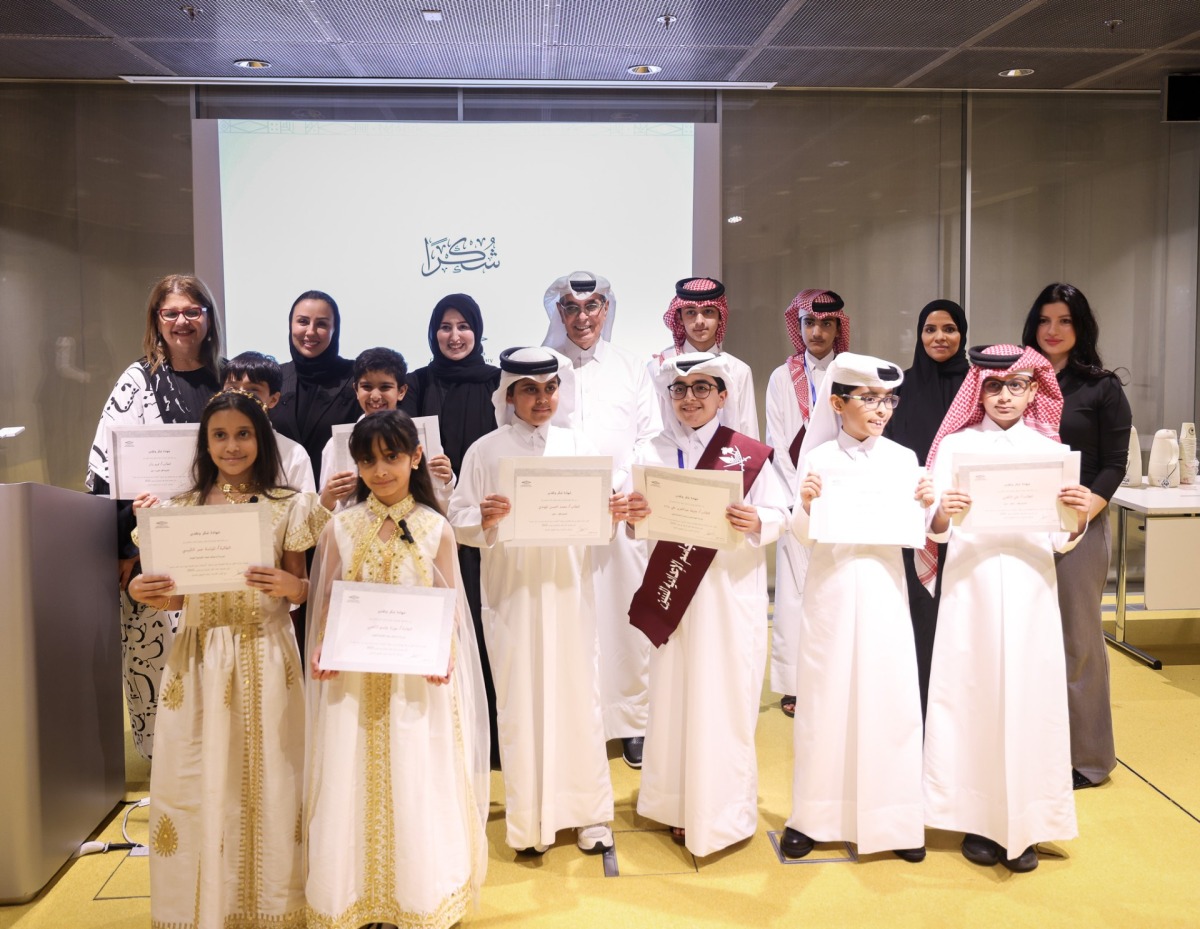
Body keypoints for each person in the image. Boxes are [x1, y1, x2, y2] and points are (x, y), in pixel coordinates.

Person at [126, 389, 328, 927]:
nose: (232, 446)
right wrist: (145, 591)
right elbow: (174, 598)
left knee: (272, 777)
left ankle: (272, 907)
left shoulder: (288, 505)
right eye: (220, 435)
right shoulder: (179, 509)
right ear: (205, 441)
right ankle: (204, 908)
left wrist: (292, 586)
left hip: (267, 652)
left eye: (243, 434)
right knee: (199, 777)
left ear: (261, 439)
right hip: (198, 658)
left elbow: (304, 587)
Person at [306, 410, 489, 929]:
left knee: (416, 776)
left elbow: (451, 605)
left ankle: (417, 897)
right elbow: (328, 599)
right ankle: (355, 895)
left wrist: (444, 652)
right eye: (368, 461)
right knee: (350, 778)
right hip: (353, 682)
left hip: (417, 681)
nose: (380, 471)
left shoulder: (436, 527)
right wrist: (322, 647)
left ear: (415, 457)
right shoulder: (341, 526)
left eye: (391, 457)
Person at [922, 344, 1091, 873]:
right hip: (970, 588)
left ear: (1034, 390)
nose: (1003, 396)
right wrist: (942, 513)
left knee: (1029, 699)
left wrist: (1079, 516)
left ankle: (1028, 823)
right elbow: (933, 530)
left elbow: (1062, 536)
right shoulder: (955, 446)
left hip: (1029, 587)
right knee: (971, 695)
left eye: (1015, 386)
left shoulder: (1049, 449)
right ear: (978, 390)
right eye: (993, 386)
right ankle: (977, 818)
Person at [448, 346, 617, 855]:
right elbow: (458, 519)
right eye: (529, 390)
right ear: (509, 395)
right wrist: (484, 518)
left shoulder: (579, 444)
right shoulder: (485, 451)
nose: (542, 399)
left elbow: (602, 525)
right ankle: (530, 823)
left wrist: (614, 513)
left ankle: (589, 814)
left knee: (578, 698)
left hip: (569, 593)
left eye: (550, 388)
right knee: (521, 703)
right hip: (513, 595)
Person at [624, 352, 788, 856]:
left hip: (727, 597)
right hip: (674, 596)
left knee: (724, 699)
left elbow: (782, 512)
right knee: (673, 696)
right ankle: (675, 804)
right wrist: (632, 517)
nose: (689, 398)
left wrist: (757, 519)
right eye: (679, 389)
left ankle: (722, 812)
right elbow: (633, 525)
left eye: (701, 388)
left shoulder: (746, 453)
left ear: (722, 395)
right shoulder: (650, 451)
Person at [780, 352, 931, 863]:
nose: (881, 409)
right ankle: (813, 817)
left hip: (886, 591)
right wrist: (805, 505)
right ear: (837, 403)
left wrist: (928, 505)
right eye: (868, 398)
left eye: (888, 399)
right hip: (832, 591)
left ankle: (896, 822)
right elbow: (801, 535)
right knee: (825, 701)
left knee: (890, 700)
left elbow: (921, 534)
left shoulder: (904, 459)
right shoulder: (819, 458)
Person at [85, 272, 224, 760]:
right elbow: (105, 471)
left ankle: (222, 771)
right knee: (159, 669)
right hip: (154, 552)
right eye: (171, 313)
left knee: (221, 669)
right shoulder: (136, 381)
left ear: (208, 318)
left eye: (192, 312)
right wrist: (125, 547)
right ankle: (167, 772)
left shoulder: (227, 380)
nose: (182, 322)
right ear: (156, 320)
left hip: (220, 547)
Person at [542, 270, 659, 768]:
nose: (582, 317)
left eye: (592, 306)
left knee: (623, 618)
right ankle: (576, 722)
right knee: (569, 618)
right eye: (571, 307)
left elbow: (649, 436)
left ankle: (631, 721)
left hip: (619, 512)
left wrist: (618, 487)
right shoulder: (544, 366)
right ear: (559, 312)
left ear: (606, 310)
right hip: (561, 516)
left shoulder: (633, 367)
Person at [1022, 284, 1132, 790]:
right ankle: (1034, 752)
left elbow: (1114, 462)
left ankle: (1088, 759)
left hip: (1076, 527)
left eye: (1064, 320)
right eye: (1045, 320)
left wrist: (1092, 504)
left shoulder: (1101, 387)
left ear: (1080, 326)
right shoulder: (1017, 380)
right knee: (1024, 639)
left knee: (1078, 641)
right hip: (1020, 526)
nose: (1053, 330)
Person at [402, 293, 503, 767]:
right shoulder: (417, 383)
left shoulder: (497, 384)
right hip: (431, 527)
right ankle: (449, 736)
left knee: (484, 627)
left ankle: (493, 737)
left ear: (478, 331)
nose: (455, 335)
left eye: (464, 326)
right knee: (442, 627)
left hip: (485, 527)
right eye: (445, 326)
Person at [763, 289, 850, 716]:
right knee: (794, 593)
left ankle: (833, 677)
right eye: (809, 323)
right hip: (795, 498)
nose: (817, 332)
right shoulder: (783, 377)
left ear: (838, 327)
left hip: (842, 498)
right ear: (798, 327)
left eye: (826, 324)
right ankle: (794, 685)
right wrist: (799, 496)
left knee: (834, 587)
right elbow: (776, 442)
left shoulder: (849, 373)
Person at [885, 299, 969, 717]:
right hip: (913, 521)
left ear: (962, 334)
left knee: (961, 617)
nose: (939, 337)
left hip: (965, 521)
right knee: (919, 615)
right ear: (919, 335)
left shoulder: (976, 386)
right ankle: (916, 711)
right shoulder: (900, 388)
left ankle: (957, 715)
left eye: (949, 329)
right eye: (930, 329)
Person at [319, 347, 454, 513]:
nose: (375, 396)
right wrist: (328, 499)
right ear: (356, 390)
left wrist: (446, 481)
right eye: (367, 387)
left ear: (401, 391)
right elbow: (333, 513)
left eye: (385, 387)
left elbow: (439, 506)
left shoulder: (423, 438)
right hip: (358, 527)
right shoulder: (336, 445)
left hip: (414, 525)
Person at [269, 289, 361, 484]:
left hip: (341, 495)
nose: (310, 332)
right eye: (303, 321)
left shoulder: (356, 377)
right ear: (290, 325)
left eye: (321, 324)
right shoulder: (274, 377)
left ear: (335, 330)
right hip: (280, 495)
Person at [651, 277, 759, 438]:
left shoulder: (739, 370)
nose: (699, 321)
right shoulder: (659, 367)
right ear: (679, 317)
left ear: (720, 316)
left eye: (708, 311)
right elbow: (651, 431)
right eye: (691, 312)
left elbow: (748, 433)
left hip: (725, 454)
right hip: (670, 453)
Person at [222, 350, 315, 494]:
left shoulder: (294, 454)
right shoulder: (207, 446)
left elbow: (307, 506)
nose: (240, 395)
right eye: (232, 388)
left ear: (273, 399)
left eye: (253, 390)